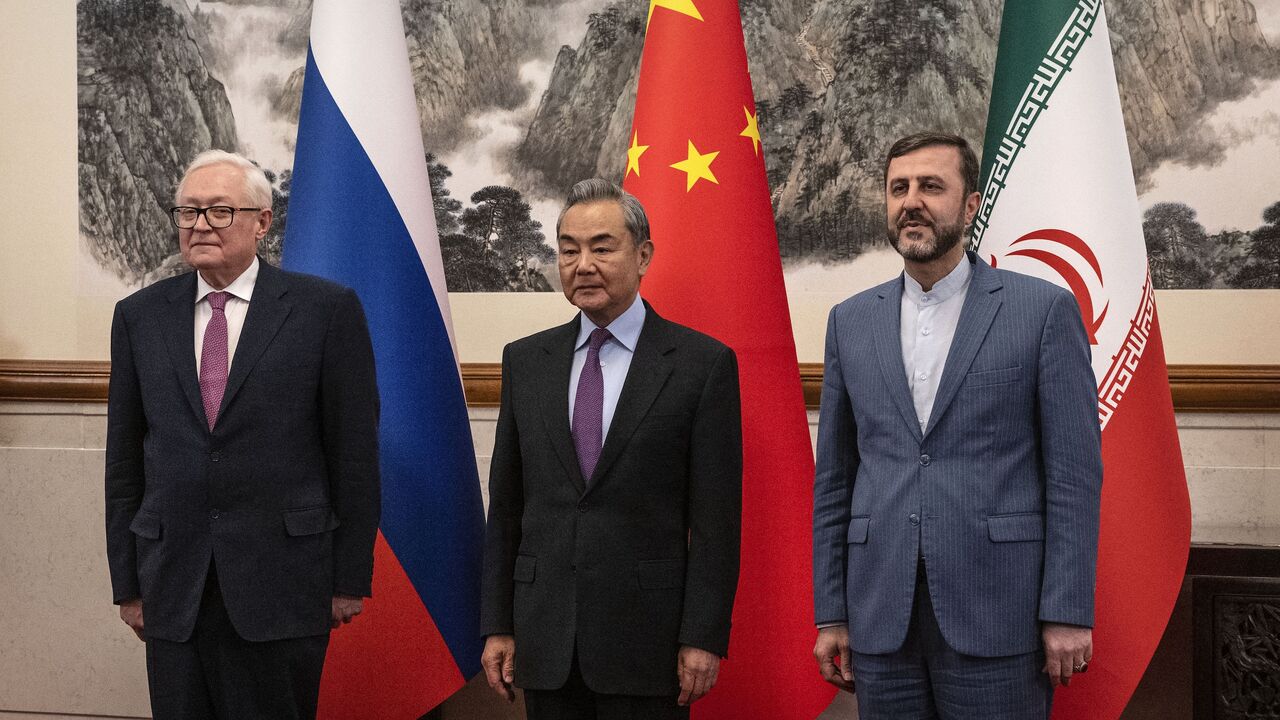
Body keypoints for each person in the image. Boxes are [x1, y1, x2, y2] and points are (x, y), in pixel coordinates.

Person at [811, 133, 1103, 717]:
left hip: (1000, 612)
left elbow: (1073, 476)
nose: (911, 202)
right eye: (898, 188)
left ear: (970, 206)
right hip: (880, 615)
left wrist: (1068, 610)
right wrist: (832, 611)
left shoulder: (1042, 311)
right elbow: (835, 482)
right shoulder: (850, 321)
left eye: (931, 186)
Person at [104, 150, 381, 719]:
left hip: (285, 583)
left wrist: (349, 577)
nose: (200, 225)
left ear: (262, 222)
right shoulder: (139, 316)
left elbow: (353, 454)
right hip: (173, 584)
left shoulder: (324, 310)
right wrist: (127, 582)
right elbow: (125, 461)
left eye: (220, 211)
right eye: (188, 212)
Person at [479, 179, 743, 719]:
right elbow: (506, 507)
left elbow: (716, 522)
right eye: (569, 250)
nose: (583, 265)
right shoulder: (525, 362)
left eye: (602, 248)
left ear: (643, 255)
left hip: (648, 641)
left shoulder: (701, 365)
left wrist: (703, 635)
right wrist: (498, 625)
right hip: (545, 637)